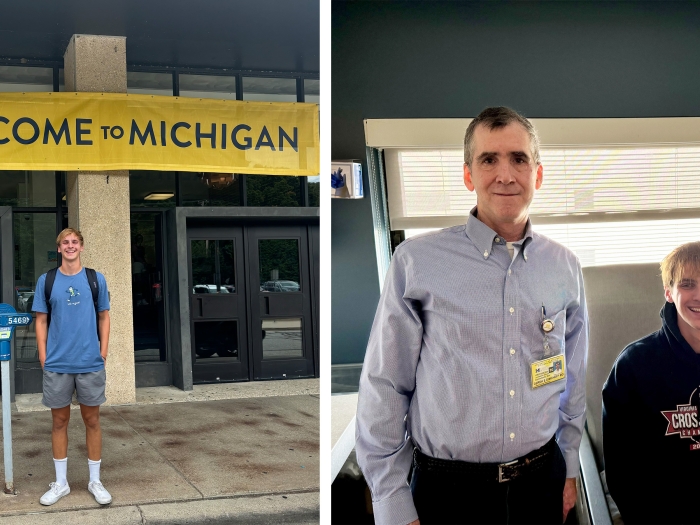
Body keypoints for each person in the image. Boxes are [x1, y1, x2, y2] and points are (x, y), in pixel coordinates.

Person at [356, 107, 588, 525]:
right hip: (449, 494)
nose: (505, 174)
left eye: (519, 158)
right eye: (488, 159)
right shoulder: (417, 262)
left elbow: (572, 376)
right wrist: (391, 501)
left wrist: (568, 466)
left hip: (541, 481)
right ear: (468, 176)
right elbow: (384, 386)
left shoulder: (564, 265)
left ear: (538, 174)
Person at [603, 241, 700, 524]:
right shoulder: (634, 365)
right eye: (688, 284)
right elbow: (622, 472)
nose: (699, 295)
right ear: (669, 293)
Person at [32, 228, 112, 506]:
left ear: (81, 246)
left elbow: (104, 316)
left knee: (92, 420)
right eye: (65, 242)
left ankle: (95, 481)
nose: (70, 246)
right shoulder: (48, 280)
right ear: (58, 248)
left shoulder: (95, 279)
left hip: (89, 362)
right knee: (59, 422)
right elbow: (40, 320)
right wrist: (43, 355)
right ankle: (61, 483)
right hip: (58, 363)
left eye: (74, 242)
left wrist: (102, 350)